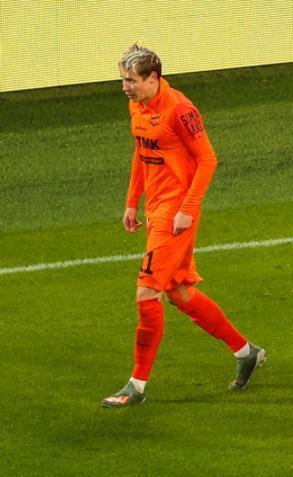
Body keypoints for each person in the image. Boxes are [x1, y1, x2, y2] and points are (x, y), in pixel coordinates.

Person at [101, 44, 266, 407]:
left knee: (147, 293)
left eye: (131, 80)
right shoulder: (138, 105)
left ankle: (136, 386)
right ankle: (245, 351)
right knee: (178, 291)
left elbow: (208, 159)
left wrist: (188, 209)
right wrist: (132, 201)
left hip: (176, 213)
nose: (125, 87)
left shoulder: (180, 109)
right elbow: (142, 151)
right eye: (123, 80)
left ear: (153, 78)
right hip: (156, 209)